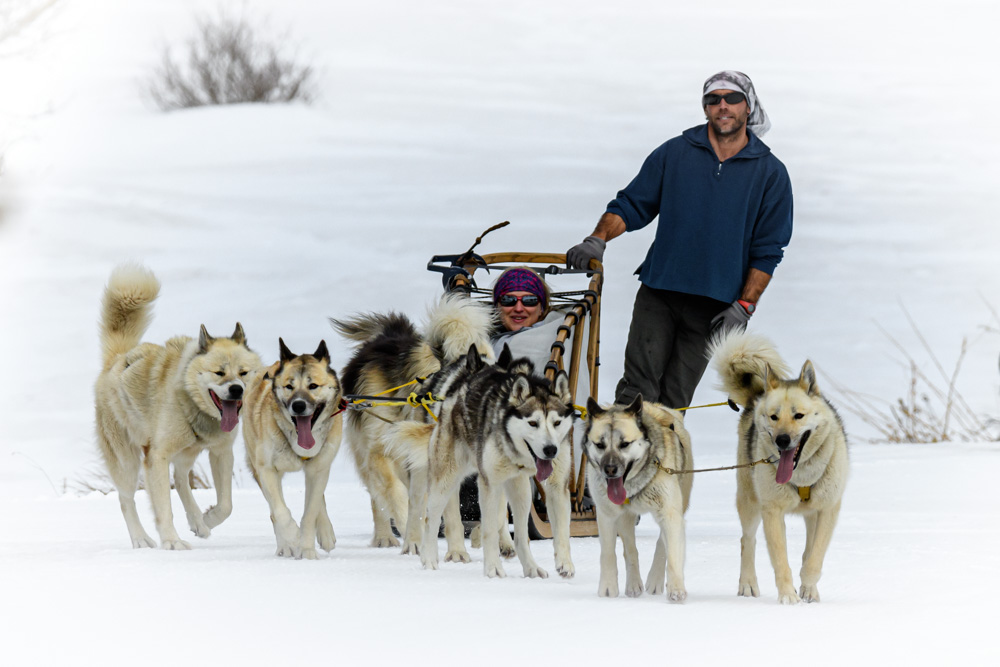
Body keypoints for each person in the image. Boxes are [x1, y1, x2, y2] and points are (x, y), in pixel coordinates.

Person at [566, 70, 793, 410]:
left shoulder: (770, 173)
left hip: (716, 308)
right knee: (635, 395)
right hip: (660, 293)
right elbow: (631, 204)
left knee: (673, 404)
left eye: (732, 98)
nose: (722, 106)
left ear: (749, 107)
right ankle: (617, 463)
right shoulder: (675, 153)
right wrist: (597, 239)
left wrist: (744, 306)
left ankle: (662, 464)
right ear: (704, 109)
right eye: (712, 99)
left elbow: (768, 251)